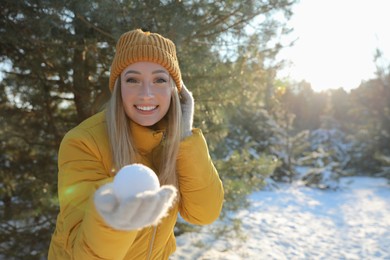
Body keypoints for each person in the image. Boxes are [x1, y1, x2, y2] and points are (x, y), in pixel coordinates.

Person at [48, 29, 224, 259]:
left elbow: (205, 214)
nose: (147, 94)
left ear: (175, 90)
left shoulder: (175, 142)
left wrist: (184, 137)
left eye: (160, 80)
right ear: (119, 87)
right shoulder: (83, 142)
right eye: (133, 80)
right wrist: (114, 222)